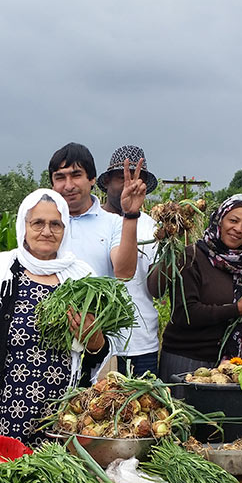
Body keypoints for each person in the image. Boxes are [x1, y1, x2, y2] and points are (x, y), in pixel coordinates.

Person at [0, 189, 109, 449]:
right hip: (4, 413)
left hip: (62, 415)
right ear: (23, 226)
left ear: (65, 229)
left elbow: (97, 353)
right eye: (37, 223)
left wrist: (94, 340)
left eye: (55, 224)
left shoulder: (83, 280)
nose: (46, 231)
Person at [149, 194, 242, 381]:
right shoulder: (192, 256)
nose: (238, 229)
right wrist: (237, 309)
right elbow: (185, 314)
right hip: (188, 361)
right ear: (220, 219)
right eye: (233, 220)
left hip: (230, 366)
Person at [98, 145, 160, 376]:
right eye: (121, 177)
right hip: (95, 341)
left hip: (141, 342)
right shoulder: (91, 220)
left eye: (137, 178)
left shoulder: (153, 227)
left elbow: (157, 289)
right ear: (106, 182)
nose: (130, 183)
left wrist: (174, 252)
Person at [48, 142, 147, 279]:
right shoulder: (43, 224)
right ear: (52, 185)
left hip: (98, 300)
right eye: (60, 178)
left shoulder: (113, 223)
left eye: (76, 175)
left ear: (92, 179)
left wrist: (130, 215)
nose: (69, 186)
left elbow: (124, 273)